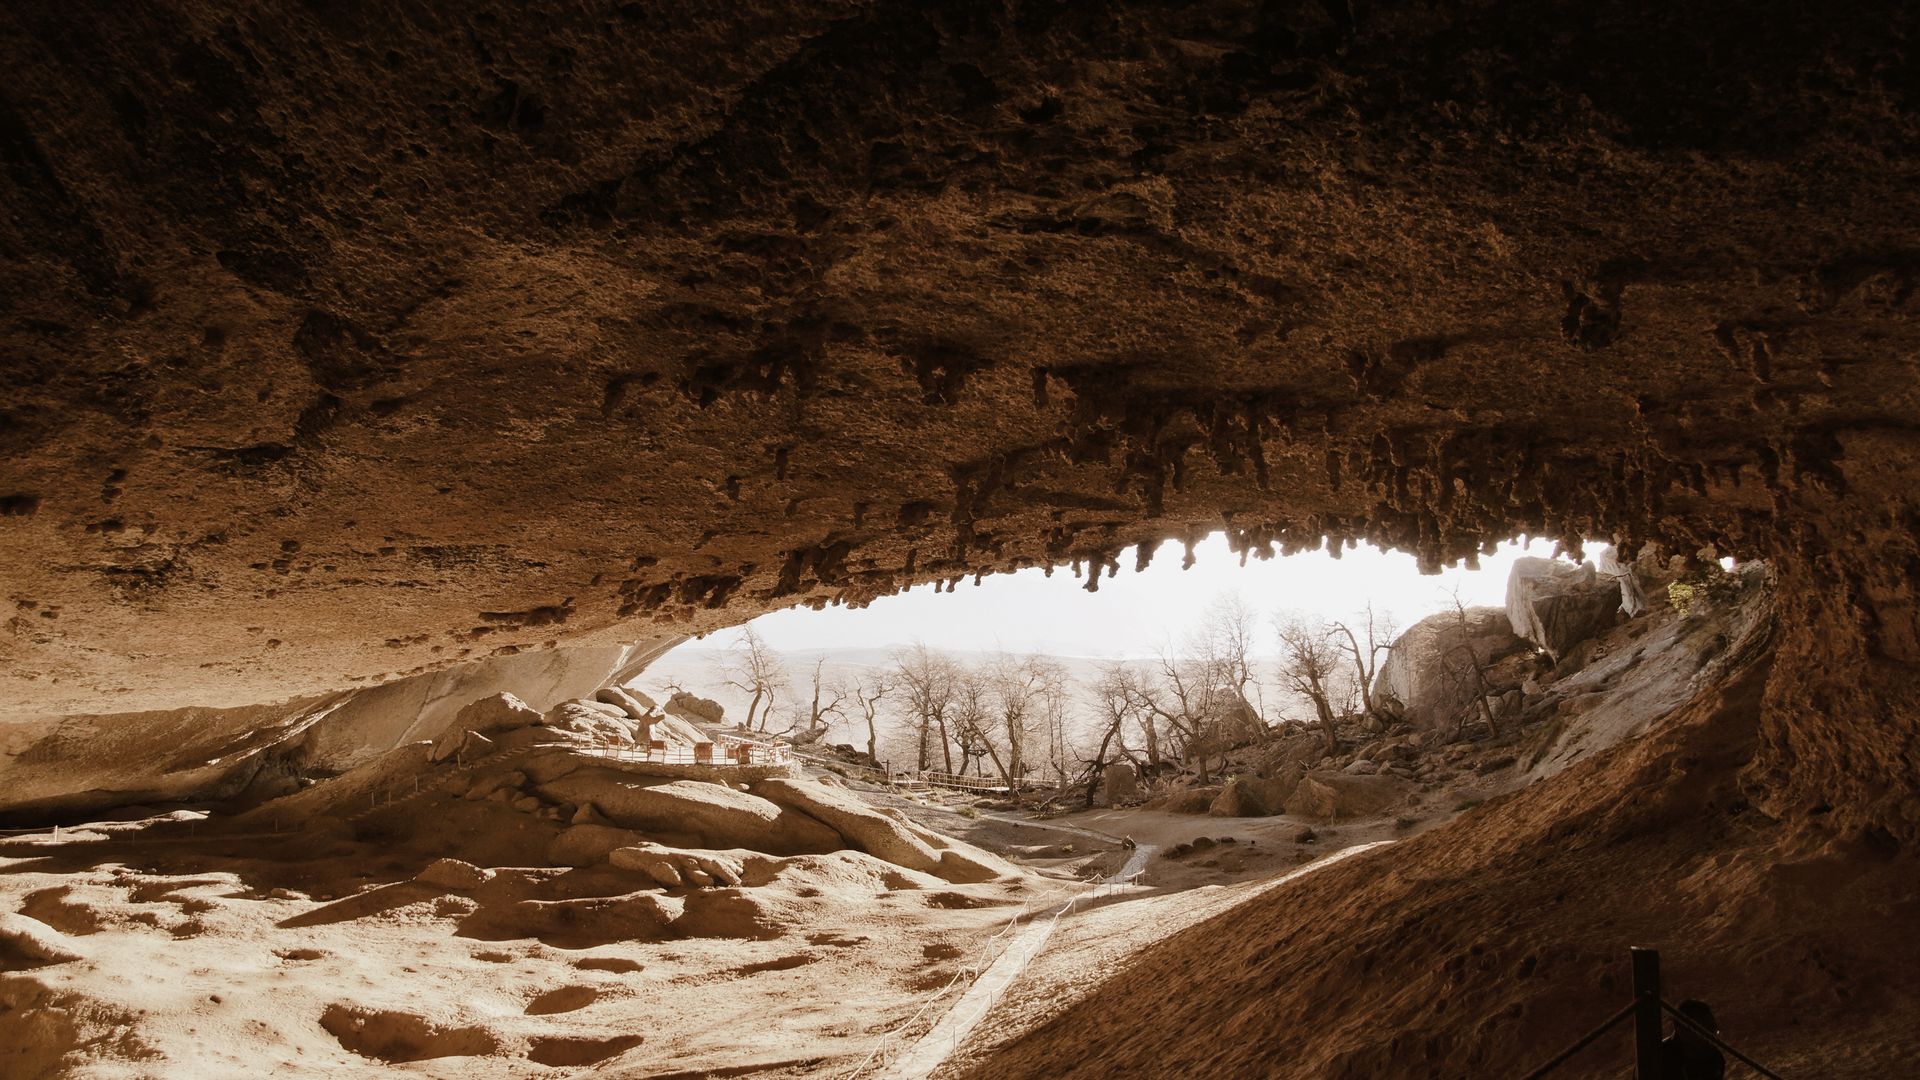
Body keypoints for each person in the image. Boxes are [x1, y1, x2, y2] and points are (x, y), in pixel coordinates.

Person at [1654, 999, 1726, 1080]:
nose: (1711, 1036)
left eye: (1713, 1030)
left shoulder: (1715, 1058)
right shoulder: (1658, 1059)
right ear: (1679, 1028)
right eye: (1704, 1030)